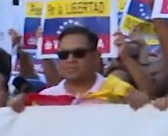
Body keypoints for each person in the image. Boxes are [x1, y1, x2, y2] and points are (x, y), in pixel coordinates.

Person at [11, 26, 145, 110]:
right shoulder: (45, 99)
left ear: (95, 56)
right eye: (63, 54)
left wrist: (145, 105)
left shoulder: (121, 92)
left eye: (79, 53)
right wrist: (15, 111)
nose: (70, 59)